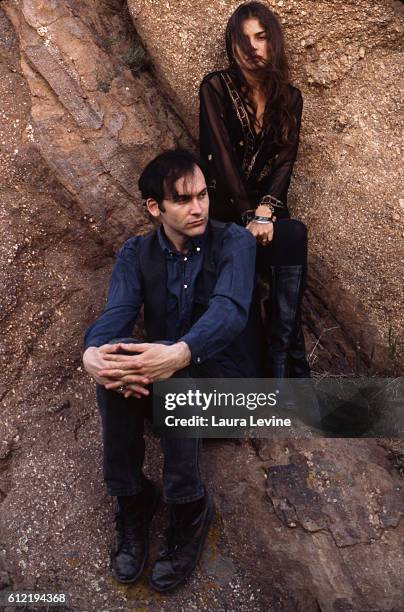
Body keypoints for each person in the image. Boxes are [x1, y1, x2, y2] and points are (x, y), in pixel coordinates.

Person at [82, 149, 262, 592]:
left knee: (165, 360)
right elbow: (117, 313)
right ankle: (133, 498)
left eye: (202, 195)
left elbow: (230, 311)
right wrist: (93, 352)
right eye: (182, 200)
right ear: (154, 207)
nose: (198, 207)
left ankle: (188, 505)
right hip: (170, 392)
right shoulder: (135, 253)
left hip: (231, 394)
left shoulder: (234, 242)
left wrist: (178, 354)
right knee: (116, 360)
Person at [199, 1, 310, 379]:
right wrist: (248, 215)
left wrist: (266, 211)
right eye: (241, 40)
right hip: (226, 213)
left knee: (293, 234)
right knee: (241, 247)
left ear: (273, 41)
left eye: (260, 37)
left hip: (266, 210)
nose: (251, 49)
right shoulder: (215, 87)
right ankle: (280, 367)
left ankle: (284, 363)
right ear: (231, 47)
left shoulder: (290, 98)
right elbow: (221, 156)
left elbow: (285, 162)